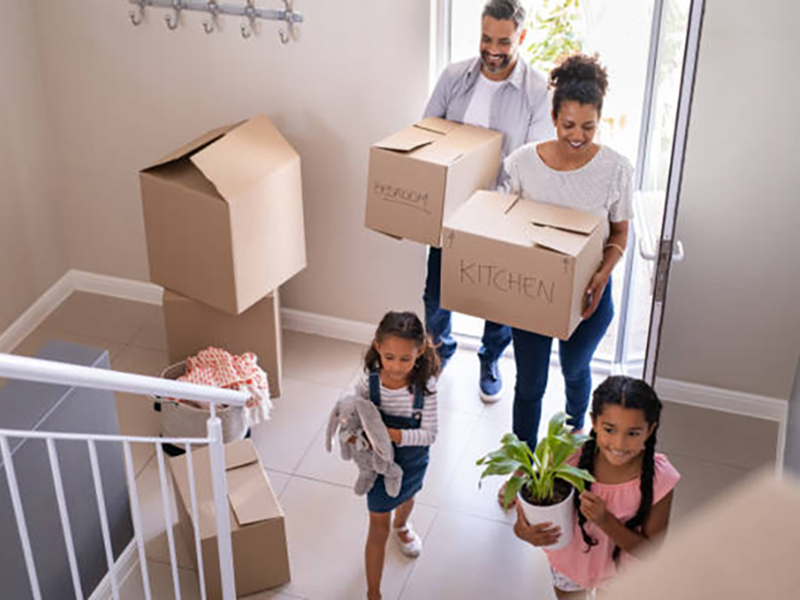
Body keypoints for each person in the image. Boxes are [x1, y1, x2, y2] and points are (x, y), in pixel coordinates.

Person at [501, 53, 634, 463]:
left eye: (589, 127)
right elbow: (506, 227)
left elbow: (620, 234)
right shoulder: (523, 163)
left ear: (600, 122)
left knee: (576, 369)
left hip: (591, 296)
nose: (578, 136)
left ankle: (577, 431)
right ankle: (522, 464)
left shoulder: (616, 169)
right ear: (554, 117)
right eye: (569, 125)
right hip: (534, 295)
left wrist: (600, 277)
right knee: (530, 384)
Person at [423, 0, 553, 403]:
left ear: (522, 37)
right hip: (450, 208)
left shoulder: (537, 91)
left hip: (501, 212)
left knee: (497, 299)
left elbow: (532, 163)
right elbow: (427, 133)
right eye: (485, 38)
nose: (492, 49)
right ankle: (438, 353)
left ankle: (490, 358)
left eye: (503, 41)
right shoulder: (453, 77)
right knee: (436, 291)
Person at [514, 376, 680, 598]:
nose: (619, 444)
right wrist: (524, 531)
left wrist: (605, 521)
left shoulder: (661, 480)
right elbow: (531, 506)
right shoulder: (568, 456)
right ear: (594, 422)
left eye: (633, 433)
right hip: (568, 565)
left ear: (649, 431)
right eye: (610, 429)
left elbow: (650, 551)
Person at [356, 311, 441, 600]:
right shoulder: (370, 382)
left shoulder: (425, 388)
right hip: (379, 464)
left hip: (413, 459)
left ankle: (402, 524)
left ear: (419, 352)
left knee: (408, 497)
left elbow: (429, 434)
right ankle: (373, 592)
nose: (395, 366)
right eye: (389, 357)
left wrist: (393, 435)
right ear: (378, 347)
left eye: (405, 359)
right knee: (377, 524)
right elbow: (356, 413)